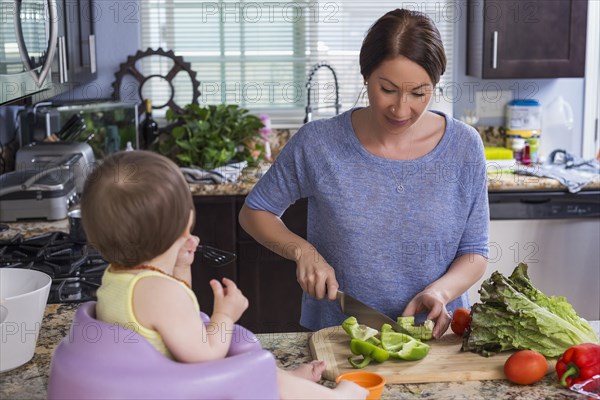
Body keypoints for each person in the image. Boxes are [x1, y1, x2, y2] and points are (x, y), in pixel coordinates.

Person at [239, 9, 489, 338]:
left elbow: (475, 251)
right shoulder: (319, 144)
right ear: (365, 76)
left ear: (435, 84)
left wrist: (441, 293)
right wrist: (303, 251)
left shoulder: (464, 146)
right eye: (387, 89)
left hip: (438, 337)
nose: (401, 109)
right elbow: (255, 212)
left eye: (418, 93)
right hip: (339, 336)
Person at [80, 151, 367, 400]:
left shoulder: (118, 276)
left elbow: (177, 322)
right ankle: (331, 396)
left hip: (147, 383)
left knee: (254, 366)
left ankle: (284, 384)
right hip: (174, 390)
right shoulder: (159, 293)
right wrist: (226, 315)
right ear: (180, 227)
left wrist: (180, 266)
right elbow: (205, 353)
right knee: (253, 368)